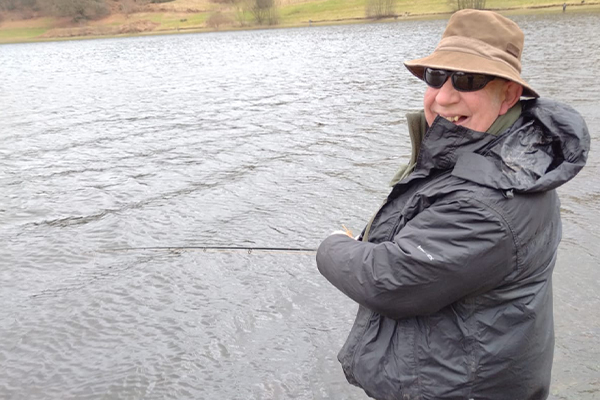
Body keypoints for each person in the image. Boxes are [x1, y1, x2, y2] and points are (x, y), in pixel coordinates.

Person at [316, 9, 589, 400]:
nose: (444, 96)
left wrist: (331, 245)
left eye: (468, 79)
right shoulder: (496, 155)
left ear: (508, 94)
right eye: (435, 77)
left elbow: (388, 280)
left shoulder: (490, 201)